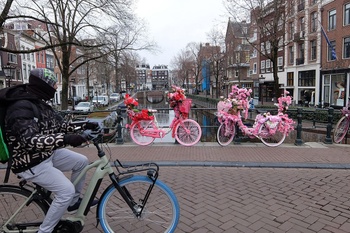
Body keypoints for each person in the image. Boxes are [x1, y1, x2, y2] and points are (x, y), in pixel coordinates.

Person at [4, 68, 99, 233]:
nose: (55, 87)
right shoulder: (20, 106)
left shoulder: (39, 103)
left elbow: (59, 125)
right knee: (66, 190)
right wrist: (66, 139)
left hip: (45, 154)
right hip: (28, 161)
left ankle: (71, 203)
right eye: (53, 84)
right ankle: (45, 230)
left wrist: (85, 124)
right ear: (43, 85)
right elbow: (29, 141)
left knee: (81, 162)